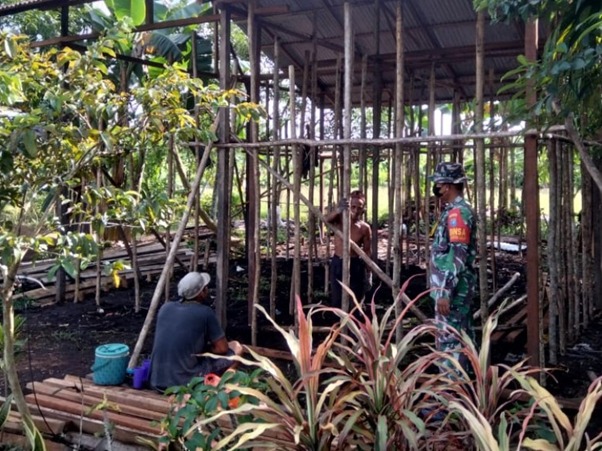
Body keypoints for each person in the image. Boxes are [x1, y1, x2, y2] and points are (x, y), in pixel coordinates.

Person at [149, 271, 242, 392]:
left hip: (156, 380)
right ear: (201, 293)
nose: (207, 290)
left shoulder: (165, 308)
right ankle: (220, 388)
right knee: (236, 348)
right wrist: (207, 350)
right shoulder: (205, 313)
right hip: (184, 383)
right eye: (205, 288)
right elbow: (222, 349)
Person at [429, 162, 477, 371]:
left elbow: (457, 254)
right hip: (455, 289)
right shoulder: (453, 211)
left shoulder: (458, 214)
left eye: (438, 185)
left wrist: (444, 290)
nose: (436, 189)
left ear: (447, 186)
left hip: (453, 291)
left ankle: (451, 387)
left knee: (450, 341)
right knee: (460, 337)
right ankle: (466, 384)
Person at [324, 190, 372, 308]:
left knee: (355, 300)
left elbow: (367, 251)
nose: (356, 210)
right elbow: (326, 220)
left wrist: (369, 273)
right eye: (353, 206)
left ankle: (355, 319)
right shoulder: (340, 220)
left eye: (359, 207)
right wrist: (338, 209)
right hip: (338, 262)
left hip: (355, 264)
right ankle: (338, 319)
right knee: (337, 299)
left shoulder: (364, 228)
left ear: (363, 209)